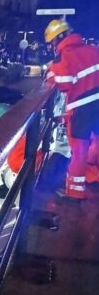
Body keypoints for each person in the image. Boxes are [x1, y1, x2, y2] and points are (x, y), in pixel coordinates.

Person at [45, 19, 99, 200]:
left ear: (58, 38)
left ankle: (74, 193)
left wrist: (52, 71)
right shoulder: (93, 49)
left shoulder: (64, 57)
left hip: (81, 111)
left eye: (52, 42)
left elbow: (64, 84)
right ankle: (94, 177)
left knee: (79, 153)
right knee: (96, 147)